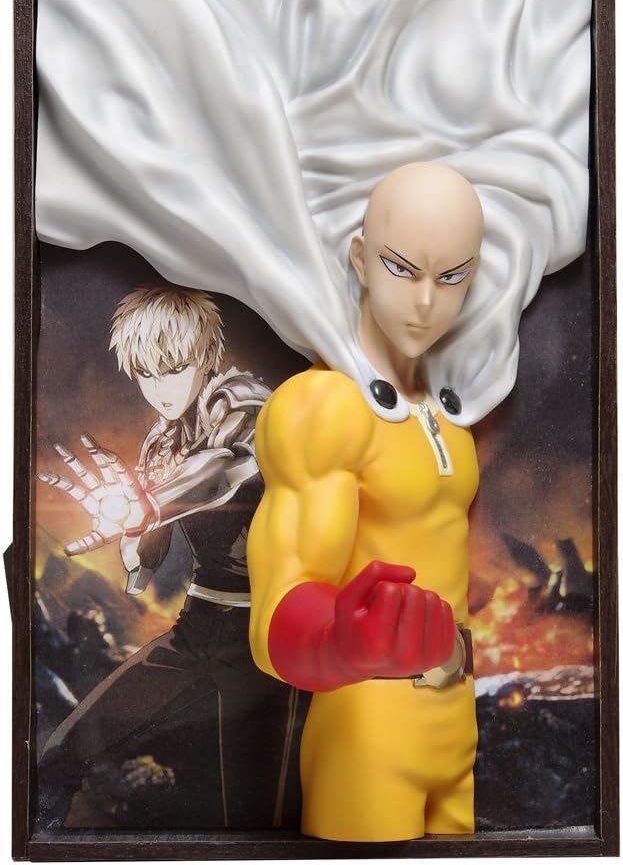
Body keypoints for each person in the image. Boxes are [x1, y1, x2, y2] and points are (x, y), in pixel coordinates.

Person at [248, 163, 484, 842]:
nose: (424, 303)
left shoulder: (452, 422)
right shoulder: (325, 407)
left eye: (451, 277)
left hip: (457, 725)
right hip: (368, 727)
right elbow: (279, 604)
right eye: (401, 268)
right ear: (360, 259)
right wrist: (335, 641)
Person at [37, 286, 301, 830]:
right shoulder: (159, 444)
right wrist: (128, 523)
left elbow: (230, 464)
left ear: (205, 357)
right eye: (146, 374)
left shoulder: (242, 400)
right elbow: (147, 561)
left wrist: (151, 501)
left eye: (174, 368)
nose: (160, 388)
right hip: (198, 626)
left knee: (253, 821)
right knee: (61, 757)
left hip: (266, 636)